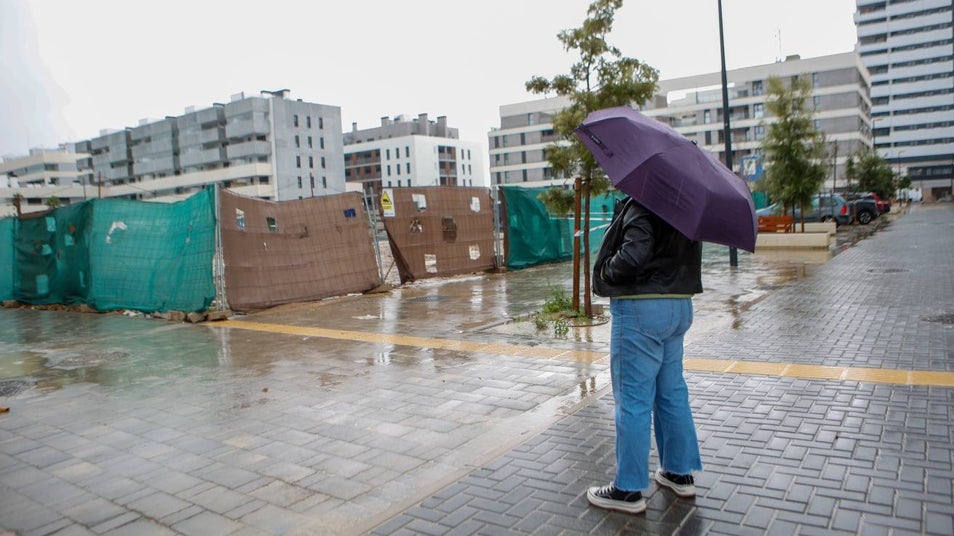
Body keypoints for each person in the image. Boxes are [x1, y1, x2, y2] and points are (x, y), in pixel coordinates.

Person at [586, 196, 704, 514]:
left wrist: (608, 271)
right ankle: (679, 472)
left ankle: (628, 490)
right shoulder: (685, 207)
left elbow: (634, 254)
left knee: (633, 400)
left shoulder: (644, 204)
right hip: (679, 304)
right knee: (671, 392)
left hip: (642, 308)